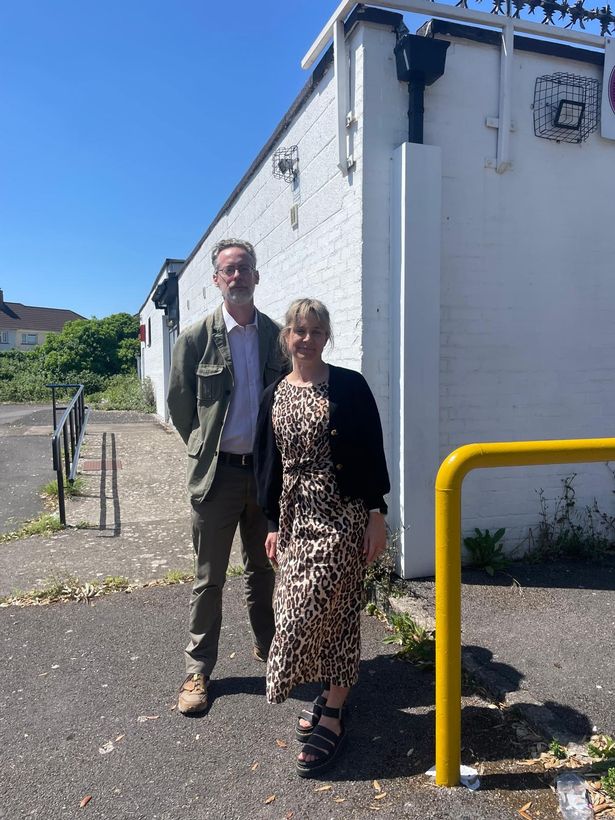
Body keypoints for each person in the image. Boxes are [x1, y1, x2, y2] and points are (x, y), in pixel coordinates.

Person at [253, 298, 390, 777]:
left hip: (343, 514)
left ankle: (330, 712)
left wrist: (377, 514)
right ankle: (332, 697)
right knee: (321, 610)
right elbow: (267, 462)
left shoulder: (349, 387)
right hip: (295, 518)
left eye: (314, 330)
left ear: (326, 335)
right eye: (297, 330)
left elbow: (372, 452)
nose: (306, 338)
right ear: (286, 338)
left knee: (311, 608)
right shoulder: (274, 394)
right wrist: (272, 524)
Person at [167, 238, 286, 715]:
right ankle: (198, 670)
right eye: (228, 270)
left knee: (264, 571)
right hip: (216, 479)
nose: (236, 276)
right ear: (216, 280)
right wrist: (204, 447)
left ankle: (271, 648)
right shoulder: (196, 338)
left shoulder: (275, 337)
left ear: (256, 276)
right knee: (208, 578)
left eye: (244, 269)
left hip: (262, 479)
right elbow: (181, 408)